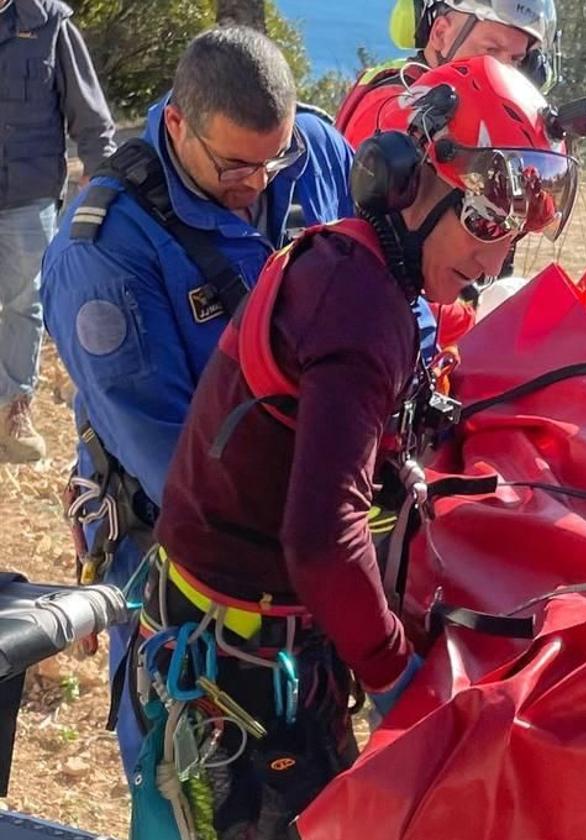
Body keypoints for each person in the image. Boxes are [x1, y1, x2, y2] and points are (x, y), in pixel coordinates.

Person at [137, 55, 582, 839]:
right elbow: (320, 537)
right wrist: (395, 676)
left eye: (508, 237)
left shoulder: (358, 264)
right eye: (482, 225)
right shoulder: (358, 307)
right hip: (243, 670)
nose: (492, 261)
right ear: (410, 182)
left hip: (256, 641)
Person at [39, 25, 355, 784]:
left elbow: (379, 293)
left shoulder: (311, 150)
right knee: (193, 778)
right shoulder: (104, 252)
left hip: (316, 528)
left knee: (312, 770)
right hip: (185, 555)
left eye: (271, 160)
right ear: (178, 124)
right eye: (235, 167)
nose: (259, 184)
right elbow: (176, 465)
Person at [0, 0, 114, 463]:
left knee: (24, 304)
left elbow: (91, 116)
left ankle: (12, 411)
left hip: (28, 197)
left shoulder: (48, 23)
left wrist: (100, 180)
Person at [336, 0, 559, 145]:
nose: (503, 72)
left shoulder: (460, 103)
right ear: (441, 34)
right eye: (491, 51)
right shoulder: (393, 105)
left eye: (516, 59)